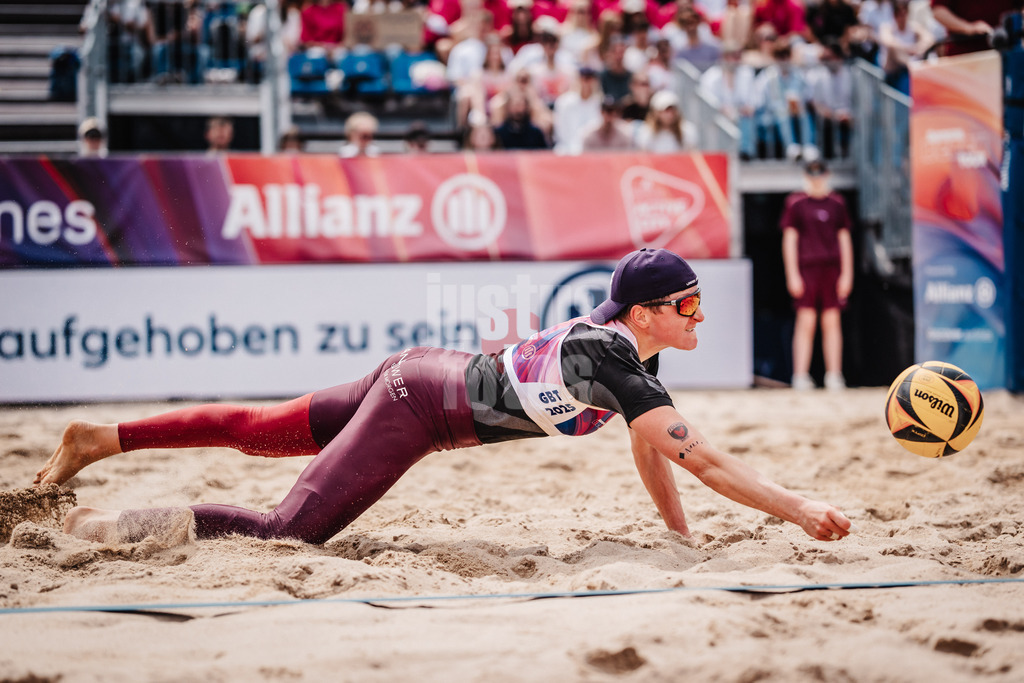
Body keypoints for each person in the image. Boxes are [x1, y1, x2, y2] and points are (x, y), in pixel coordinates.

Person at [37, 248, 853, 546]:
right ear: (646, 314)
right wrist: (801, 507)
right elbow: (703, 458)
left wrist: (680, 538)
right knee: (291, 530)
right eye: (689, 304)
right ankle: (111, 526)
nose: (700, 314)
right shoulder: (615, 355)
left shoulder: (621, 353)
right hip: (420, 406)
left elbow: (655, 452)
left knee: (255, 429)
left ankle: (98, 438)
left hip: (423, 372)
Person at [781, 160, 853, 391]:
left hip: (831, 269)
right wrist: (792, 274)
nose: (816, 180)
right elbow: (790, 240)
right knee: (806, 322)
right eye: (812, 176)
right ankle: (800, 376)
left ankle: (834, 375)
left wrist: (847, 273)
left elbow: (844, 240)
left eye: (820, 176)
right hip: (807, 268)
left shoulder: (837, 203)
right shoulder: (796, 203)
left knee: (832, 322)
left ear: (827, 175)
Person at [634, 90, 699, 153]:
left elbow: (692, 155)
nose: (670, 114)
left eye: (672, 110)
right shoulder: (645, 132)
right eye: (666, 110)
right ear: (656, 113)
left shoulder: (687, 130)